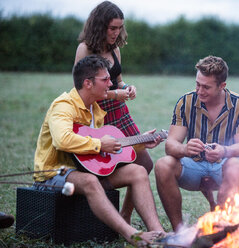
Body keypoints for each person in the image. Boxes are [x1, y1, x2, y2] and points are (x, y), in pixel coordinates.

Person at [33, 55, 164, 246]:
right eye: (105, 80)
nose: (111, 84)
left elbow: (105, 148)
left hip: (87, 171)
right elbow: (63, 140)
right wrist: (100, 144)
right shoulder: (63, 106)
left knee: (138, 170)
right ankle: (131, 234)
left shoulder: (96, 109)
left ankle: (158, 231)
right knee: (90, 181)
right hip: (53, 174)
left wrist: (141, 143)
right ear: (88, 83)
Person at [74, 1, 153, 224]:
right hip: (97, 115)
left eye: (119, 28)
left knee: (145, 163)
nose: (116, 33)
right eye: (112, 28)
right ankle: (101, 213)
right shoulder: (85, 49)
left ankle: (125, 215)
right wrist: (113, 95)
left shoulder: (115, 48)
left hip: (120, 113)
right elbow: (80, 91)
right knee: (105, 167)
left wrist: (127, 87)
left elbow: (117, 80)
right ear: (100, 26)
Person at [155, 55, 239, 231]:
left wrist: (224, 150)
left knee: (237, 166)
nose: (200, 91)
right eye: (197, 84)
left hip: (223, 165)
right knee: (163, 165)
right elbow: (170, 145)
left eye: (206, 87)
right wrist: (185, 149)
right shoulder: (186, 101)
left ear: (222, 86)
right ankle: (180, 231)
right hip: (193, 166)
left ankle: (220, 230)